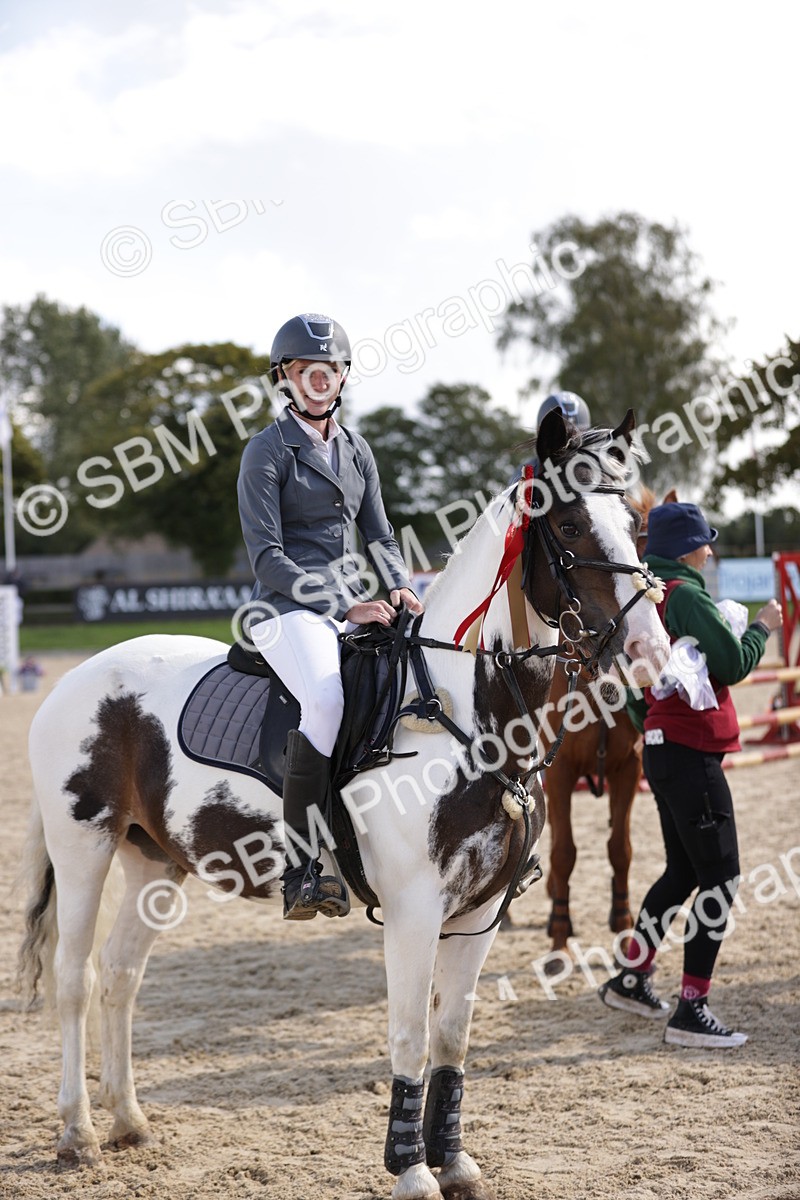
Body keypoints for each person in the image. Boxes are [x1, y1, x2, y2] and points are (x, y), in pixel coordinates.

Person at [237, 313, 423, 920]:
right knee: (326, 700)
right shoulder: (266, 450)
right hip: (286, 608)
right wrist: (343, 603)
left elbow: (381, 535)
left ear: (343, 376)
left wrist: (402, 588)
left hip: (350, 605)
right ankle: (301, 867)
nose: (321, 378)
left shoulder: (356, 449)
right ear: (285, 377)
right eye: (306, 369)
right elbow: (267, 557)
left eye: (332, 368)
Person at [598, 501, 783, 1047]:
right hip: (690, 750)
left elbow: (634, 690)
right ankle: (691, 1008)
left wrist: (653, 724)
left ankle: (632, 977)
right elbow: (732, 664)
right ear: (688, 549)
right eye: (706, 543)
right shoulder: (686, 594)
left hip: (659, 746)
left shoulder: (644, 597)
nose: (710, 551)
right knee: (721, 876)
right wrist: (761, 629)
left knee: (682, 873)